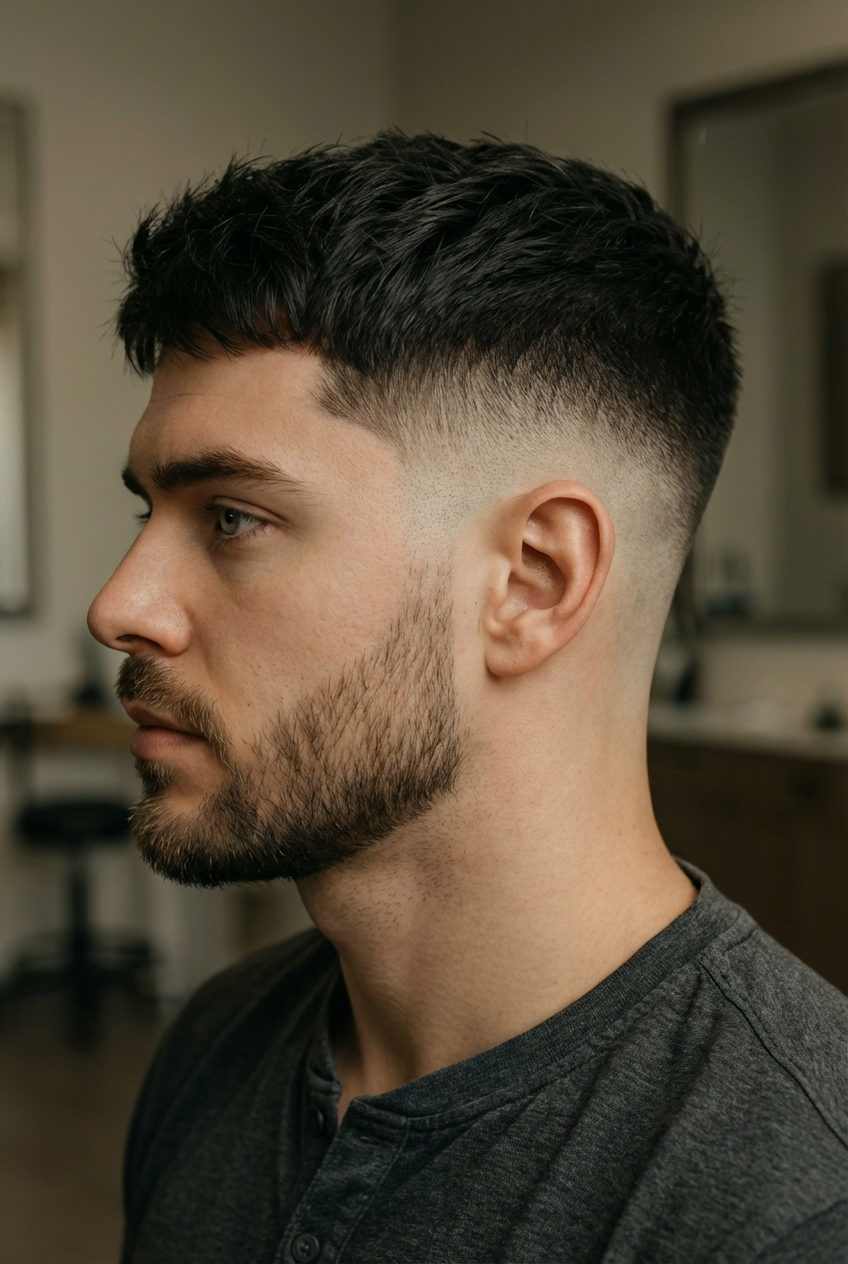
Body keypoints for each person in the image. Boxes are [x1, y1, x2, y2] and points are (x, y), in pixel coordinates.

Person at [88, 134, 846, 1264]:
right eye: (147, 511)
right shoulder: (214, 1043)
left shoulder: (790, 1202)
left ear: (531, 581)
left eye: (232, 517)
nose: (121, 603)